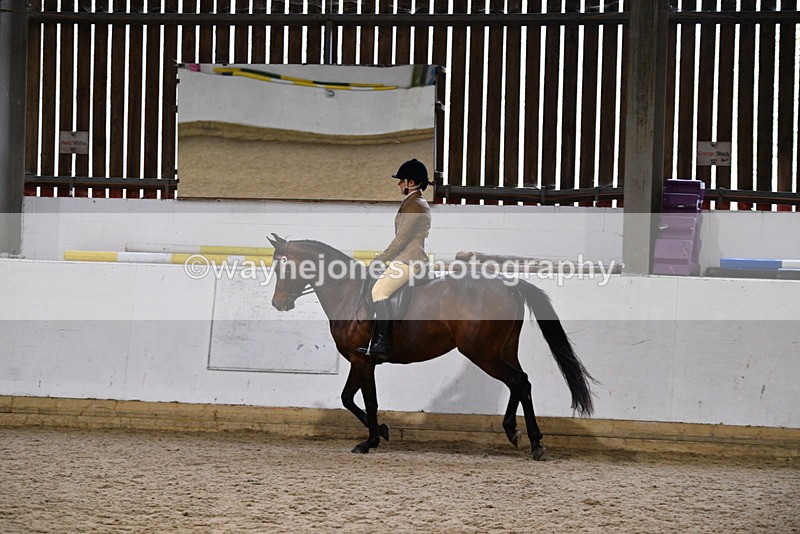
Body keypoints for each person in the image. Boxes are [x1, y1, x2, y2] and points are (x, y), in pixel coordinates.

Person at [358, 158, 431, 360]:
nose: (398, 184)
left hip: (410, 261)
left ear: (411, 182)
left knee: (379, 291)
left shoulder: (414, 205)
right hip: (406, 258)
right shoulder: (413, 202)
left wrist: (381, 259)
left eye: (401, 180)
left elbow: (401, 240)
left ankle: (382, 343)